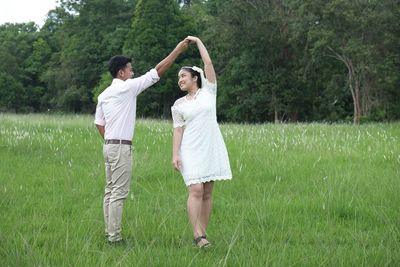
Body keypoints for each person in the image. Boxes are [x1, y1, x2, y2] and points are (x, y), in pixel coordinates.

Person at [95, 39, 189, 244]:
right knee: (118, 193)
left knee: (110, 191)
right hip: (120, 147)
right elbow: (158, 71)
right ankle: (115, 238)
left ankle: (109, 232)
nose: (132, 72)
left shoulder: (103, 94)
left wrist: (111, 140)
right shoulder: (127, 88)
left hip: (108, 146)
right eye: (130, 69)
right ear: (121, 73)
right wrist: (177, 50)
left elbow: (98, 124)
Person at [171, 36, 232, 248]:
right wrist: (175, 154)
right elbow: (177, 131)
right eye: (178, 77)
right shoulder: (178, 105)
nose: (180, 79)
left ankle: (203, 233)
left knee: (207, 192)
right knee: (195, 189)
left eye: (183, 76)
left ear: (195, 77)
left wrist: (197, 42)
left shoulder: (209, 92)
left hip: (210, 147)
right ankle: (197, 235)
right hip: (190, 149)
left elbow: (208, 64)